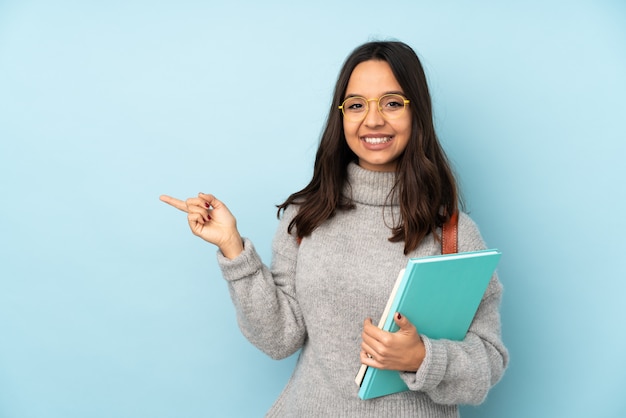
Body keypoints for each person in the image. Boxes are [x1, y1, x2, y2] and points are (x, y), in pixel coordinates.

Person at [160, 40, 508, 417]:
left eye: (392, 103)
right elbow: (278, 339)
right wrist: (233, 248)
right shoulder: (306, 217)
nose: (372, 120)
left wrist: (421, 357)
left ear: (416, 113)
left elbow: (486, 363)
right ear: (340, 116)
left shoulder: (454, 235)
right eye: (356, 105)